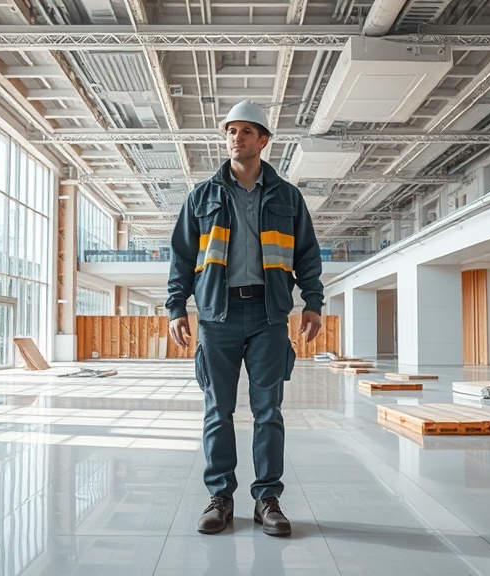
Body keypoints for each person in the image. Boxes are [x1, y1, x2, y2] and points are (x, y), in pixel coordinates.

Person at [166, 100, 325, 537]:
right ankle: (220, 497)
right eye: (231, 130)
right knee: (218, 411)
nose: (236, 137)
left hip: (268, 315)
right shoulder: (202, 196)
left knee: (268, 411)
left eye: (246, 131)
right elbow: (182, 257)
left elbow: (307, 255)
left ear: (264, 140)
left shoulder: (287, 197)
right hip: (217, 315)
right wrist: (176, 307)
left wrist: (313, 302)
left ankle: (267, 499)